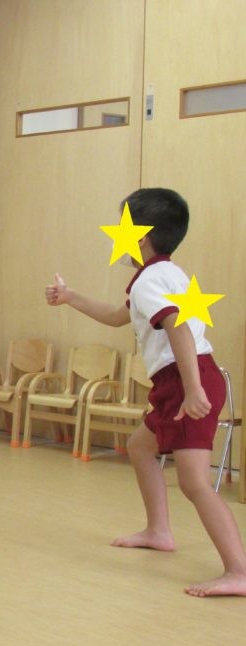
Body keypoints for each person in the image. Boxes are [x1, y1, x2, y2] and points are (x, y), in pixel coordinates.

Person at [46, 187, 246, 597]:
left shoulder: (150, 281)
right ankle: (159, 531)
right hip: (182, 379)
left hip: (186, 378)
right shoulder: (162, 275)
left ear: (140, 237)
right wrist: (70, 297)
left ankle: (238, 570)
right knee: (141, 447)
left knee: (194, 482)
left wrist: (192, 390)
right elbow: (116, 316)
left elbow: (177, 326)